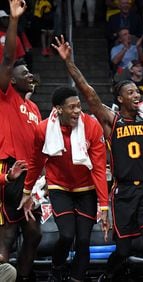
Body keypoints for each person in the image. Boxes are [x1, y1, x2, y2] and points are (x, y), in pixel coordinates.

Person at [52, 35, 143, 282]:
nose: (136, 95)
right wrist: (69, 63)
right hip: (123, 192)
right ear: (120, 99)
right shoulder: (112, 121)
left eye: (137, 91)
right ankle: (109, 274)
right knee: (122, 250)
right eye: (130, 92)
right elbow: (87, 91)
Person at [19, 86, 109, 282]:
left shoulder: (92, 126)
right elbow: (36, 162)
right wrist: (27, 190)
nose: (78, 111)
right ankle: (57, 268)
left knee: (84, 240)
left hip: (86, 188)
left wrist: (104, 205)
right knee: (67, 235)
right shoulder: (43, 129)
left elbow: (99, 168)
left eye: (79, 106)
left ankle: (76, 278)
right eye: (72, 107)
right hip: (60, 187)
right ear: (58, 109)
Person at [0, 1, 42, 280]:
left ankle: (20, 276)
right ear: (10, 81)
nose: (30, 75)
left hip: (30, 175)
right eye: (23, 73)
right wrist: (14, 20)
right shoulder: (6, 95)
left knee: (33, 235)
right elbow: (7, 60)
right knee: (12, 232)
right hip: (9, 169)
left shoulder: (36, 109)